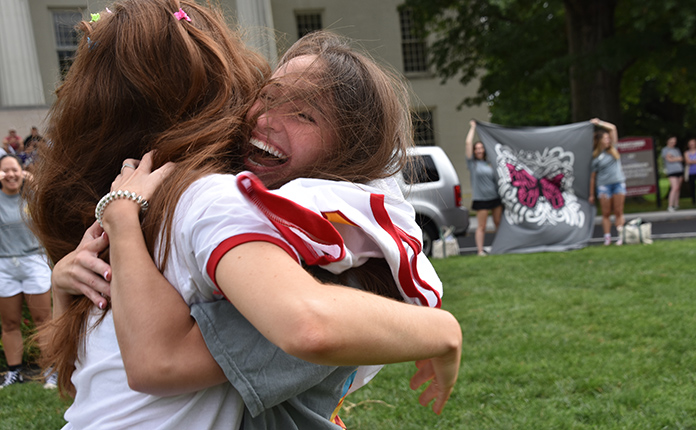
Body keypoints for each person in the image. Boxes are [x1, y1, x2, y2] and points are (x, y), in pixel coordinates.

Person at [28, 3, 460, 429]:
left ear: (350, 152)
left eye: (305, 114)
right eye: (267, 97)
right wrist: (66, 285)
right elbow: (89, 382)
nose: (267, 120)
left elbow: (157, 364)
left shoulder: (300, 252)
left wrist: (441, 329)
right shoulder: (166, 204)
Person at [0, 155, 54, 389]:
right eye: (5, 171)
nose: (10, 175)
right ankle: (14, 372)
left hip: (34, 262)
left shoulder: (32, 194)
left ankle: (52, 370)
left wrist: (34, 181)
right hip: (4, 266)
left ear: (22, 171)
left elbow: (51, 199)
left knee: (43, 320)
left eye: (15, 170)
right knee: (9, 323)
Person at [465, 120, 502, 256]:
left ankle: (499, 248)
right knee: (482, 226)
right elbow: (468, 143)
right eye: (477, 148)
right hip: (481, 199)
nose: (479, 150)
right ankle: (480, 251)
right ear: (474, 151)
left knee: (498, 223)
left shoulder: (489, 163)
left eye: (481, 148)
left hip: (495, 197)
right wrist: (473, 128)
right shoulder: (472, 164)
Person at [589, 118, 625, 246]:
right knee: (606, 213)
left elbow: (613, 128)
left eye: (608, 138)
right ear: (599, 141)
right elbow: (592, 177)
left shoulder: (613, 149)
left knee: (618, 211)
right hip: (604, 186)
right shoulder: (595, 156)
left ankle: (621, 236)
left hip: (618, 183)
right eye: (605, 138)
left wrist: (599, 123)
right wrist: (592, 194)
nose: (608, 140)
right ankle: (607, 237)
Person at [662, 136, 684, 212]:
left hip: (679, 170)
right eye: (672, 141)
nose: (673, 143)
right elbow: (669, 160)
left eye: (674, 142)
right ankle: (670, 205)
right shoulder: (665, 150)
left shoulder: (676, 149)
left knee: (678, 188)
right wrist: (676, 158)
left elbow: (681, 158)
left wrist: (673, 158)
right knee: (674, 187)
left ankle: (676, 204)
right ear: (668, 141)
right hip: (671, 171)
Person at [684, 138, 696, 205]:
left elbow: (690, 161)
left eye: (693, 143)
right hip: (691, 172)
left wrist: (691, 161)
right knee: (692, 187)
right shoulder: (686, 153)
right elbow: (687, 161)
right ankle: (693, 200)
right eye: (690, 144)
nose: (692, 145)